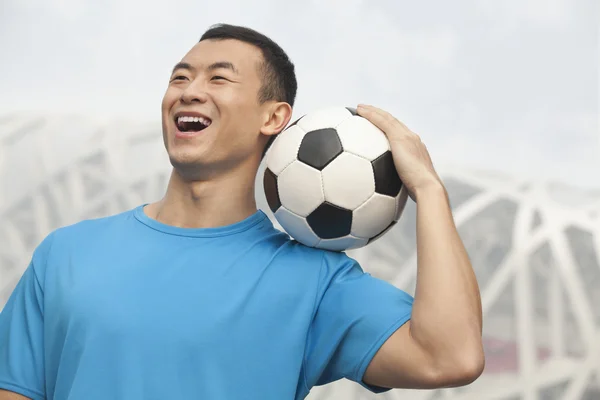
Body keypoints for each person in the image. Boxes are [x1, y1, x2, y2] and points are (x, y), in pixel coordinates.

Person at [0, 24, 484, 400]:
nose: (189, 91)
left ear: (274, 118)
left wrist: (428, 188)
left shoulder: (315, 282)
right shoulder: (66, 253)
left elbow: (451, 357)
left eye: (219, 78)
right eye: (180, 77)